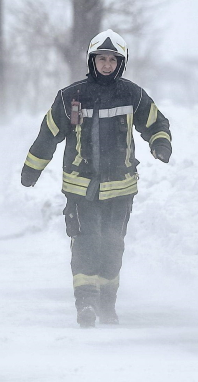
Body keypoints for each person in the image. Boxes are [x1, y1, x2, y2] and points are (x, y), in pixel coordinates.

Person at [20, 29, 172, 328]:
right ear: (91, 61)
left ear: (121, 63)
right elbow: (48, 135)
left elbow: (156, 122)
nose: (106, 65)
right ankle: (86, 303)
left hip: (121, 188)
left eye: (112, 60)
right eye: (101, 59)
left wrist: (160, 143)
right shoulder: (70, 97)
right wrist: (31, 169)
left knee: (113, 246)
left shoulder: (133, 95)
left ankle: (107, 304)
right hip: (81, 189)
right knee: (87, 243)